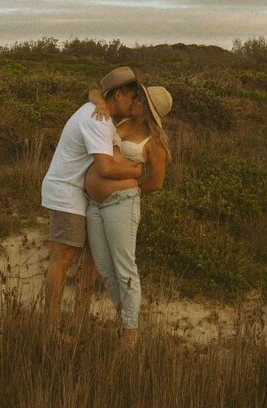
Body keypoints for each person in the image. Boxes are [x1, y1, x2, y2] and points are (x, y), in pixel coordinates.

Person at [40, 66, 145, 335]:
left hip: (79, 194)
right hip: (66, 193)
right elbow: (106, 168)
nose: (135, 104)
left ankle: (78, 317)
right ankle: (50, 327)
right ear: (119, 95)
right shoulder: (97, 120)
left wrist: (98, 98)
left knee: (90, 257)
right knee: (62, 258)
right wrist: (136, 173)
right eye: (133, 98)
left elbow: (95, 91)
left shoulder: (100, 111)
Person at [83, 81, 173, 346]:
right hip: (94, 204)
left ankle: (130, 333)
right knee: (105, 268)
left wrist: (128, 191)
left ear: (147, 107)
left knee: (125, 268)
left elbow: (156, 182)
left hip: (122, 204)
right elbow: (93, 91)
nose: (133, 100)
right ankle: (124, 320)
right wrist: (99, 100)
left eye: (139, 99)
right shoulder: (120, 120)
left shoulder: (155, 143)